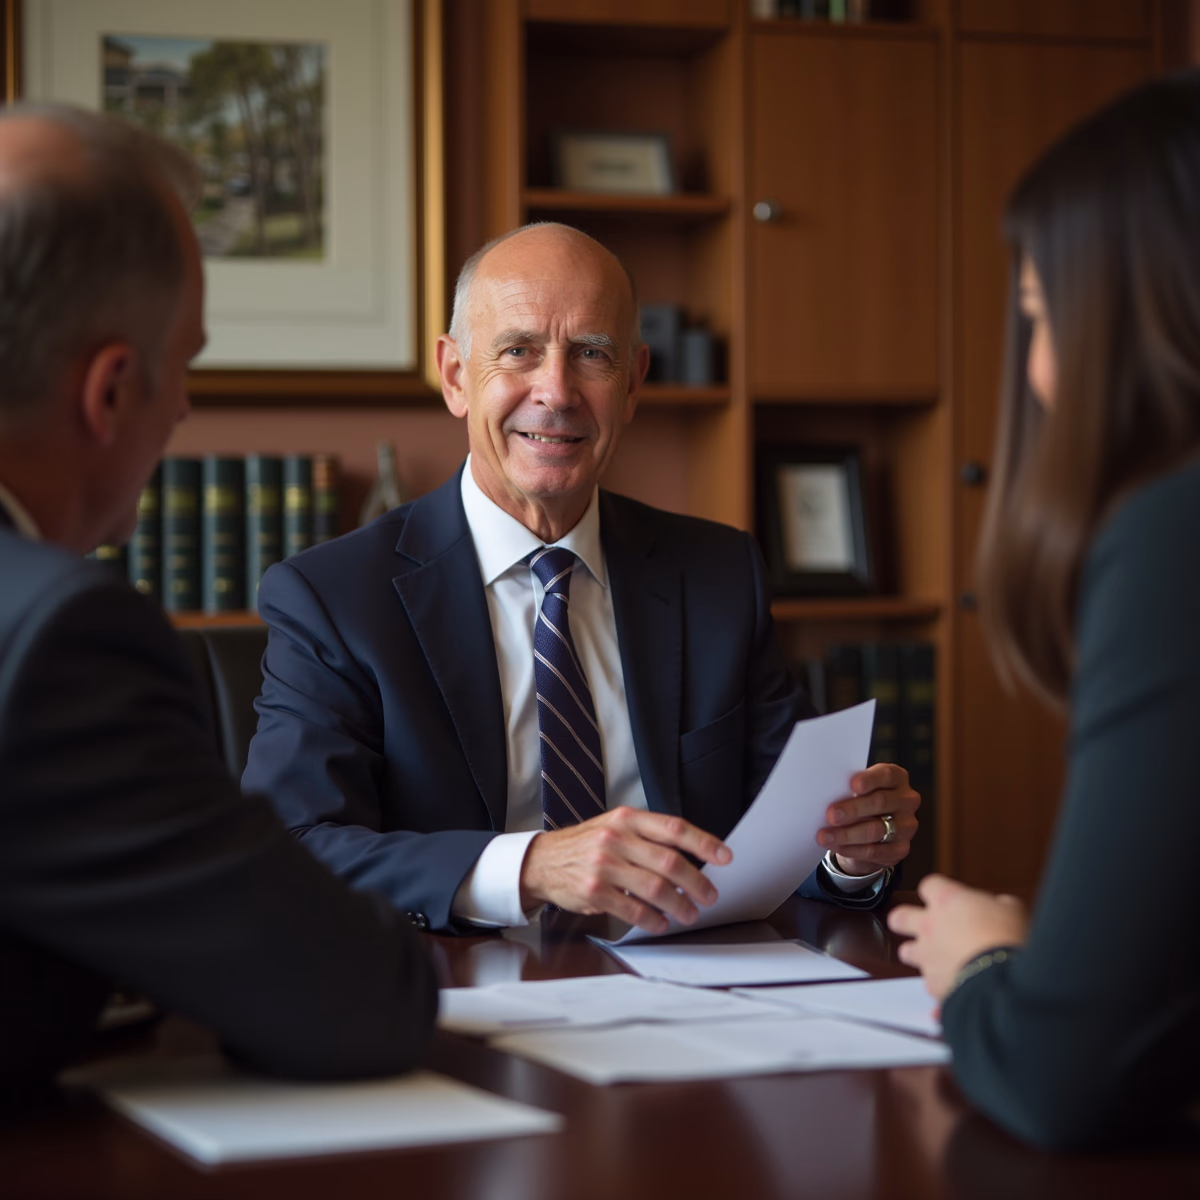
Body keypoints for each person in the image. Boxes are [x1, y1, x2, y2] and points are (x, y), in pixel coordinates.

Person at [243, 222, 920, 936]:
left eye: (592, 354)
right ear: (455, 376)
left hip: (683, 983)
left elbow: (782, 831)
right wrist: (530, 868)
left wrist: (848, 853)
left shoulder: (718, 576)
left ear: (632, 383)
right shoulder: (334, 597)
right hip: (450, 979)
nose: (557, 391)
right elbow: (290, 848)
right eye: (518, 351)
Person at [0, 104, 437, 1111]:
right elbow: (362, 995)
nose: (186, 406)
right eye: (186, 363)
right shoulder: (57, 640)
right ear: (112, 392)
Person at [888, 73, 1200, 1150]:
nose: (1037, 368)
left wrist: (984, 962)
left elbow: (1059, 1078)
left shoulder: (1175, 538)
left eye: (1039, 314)